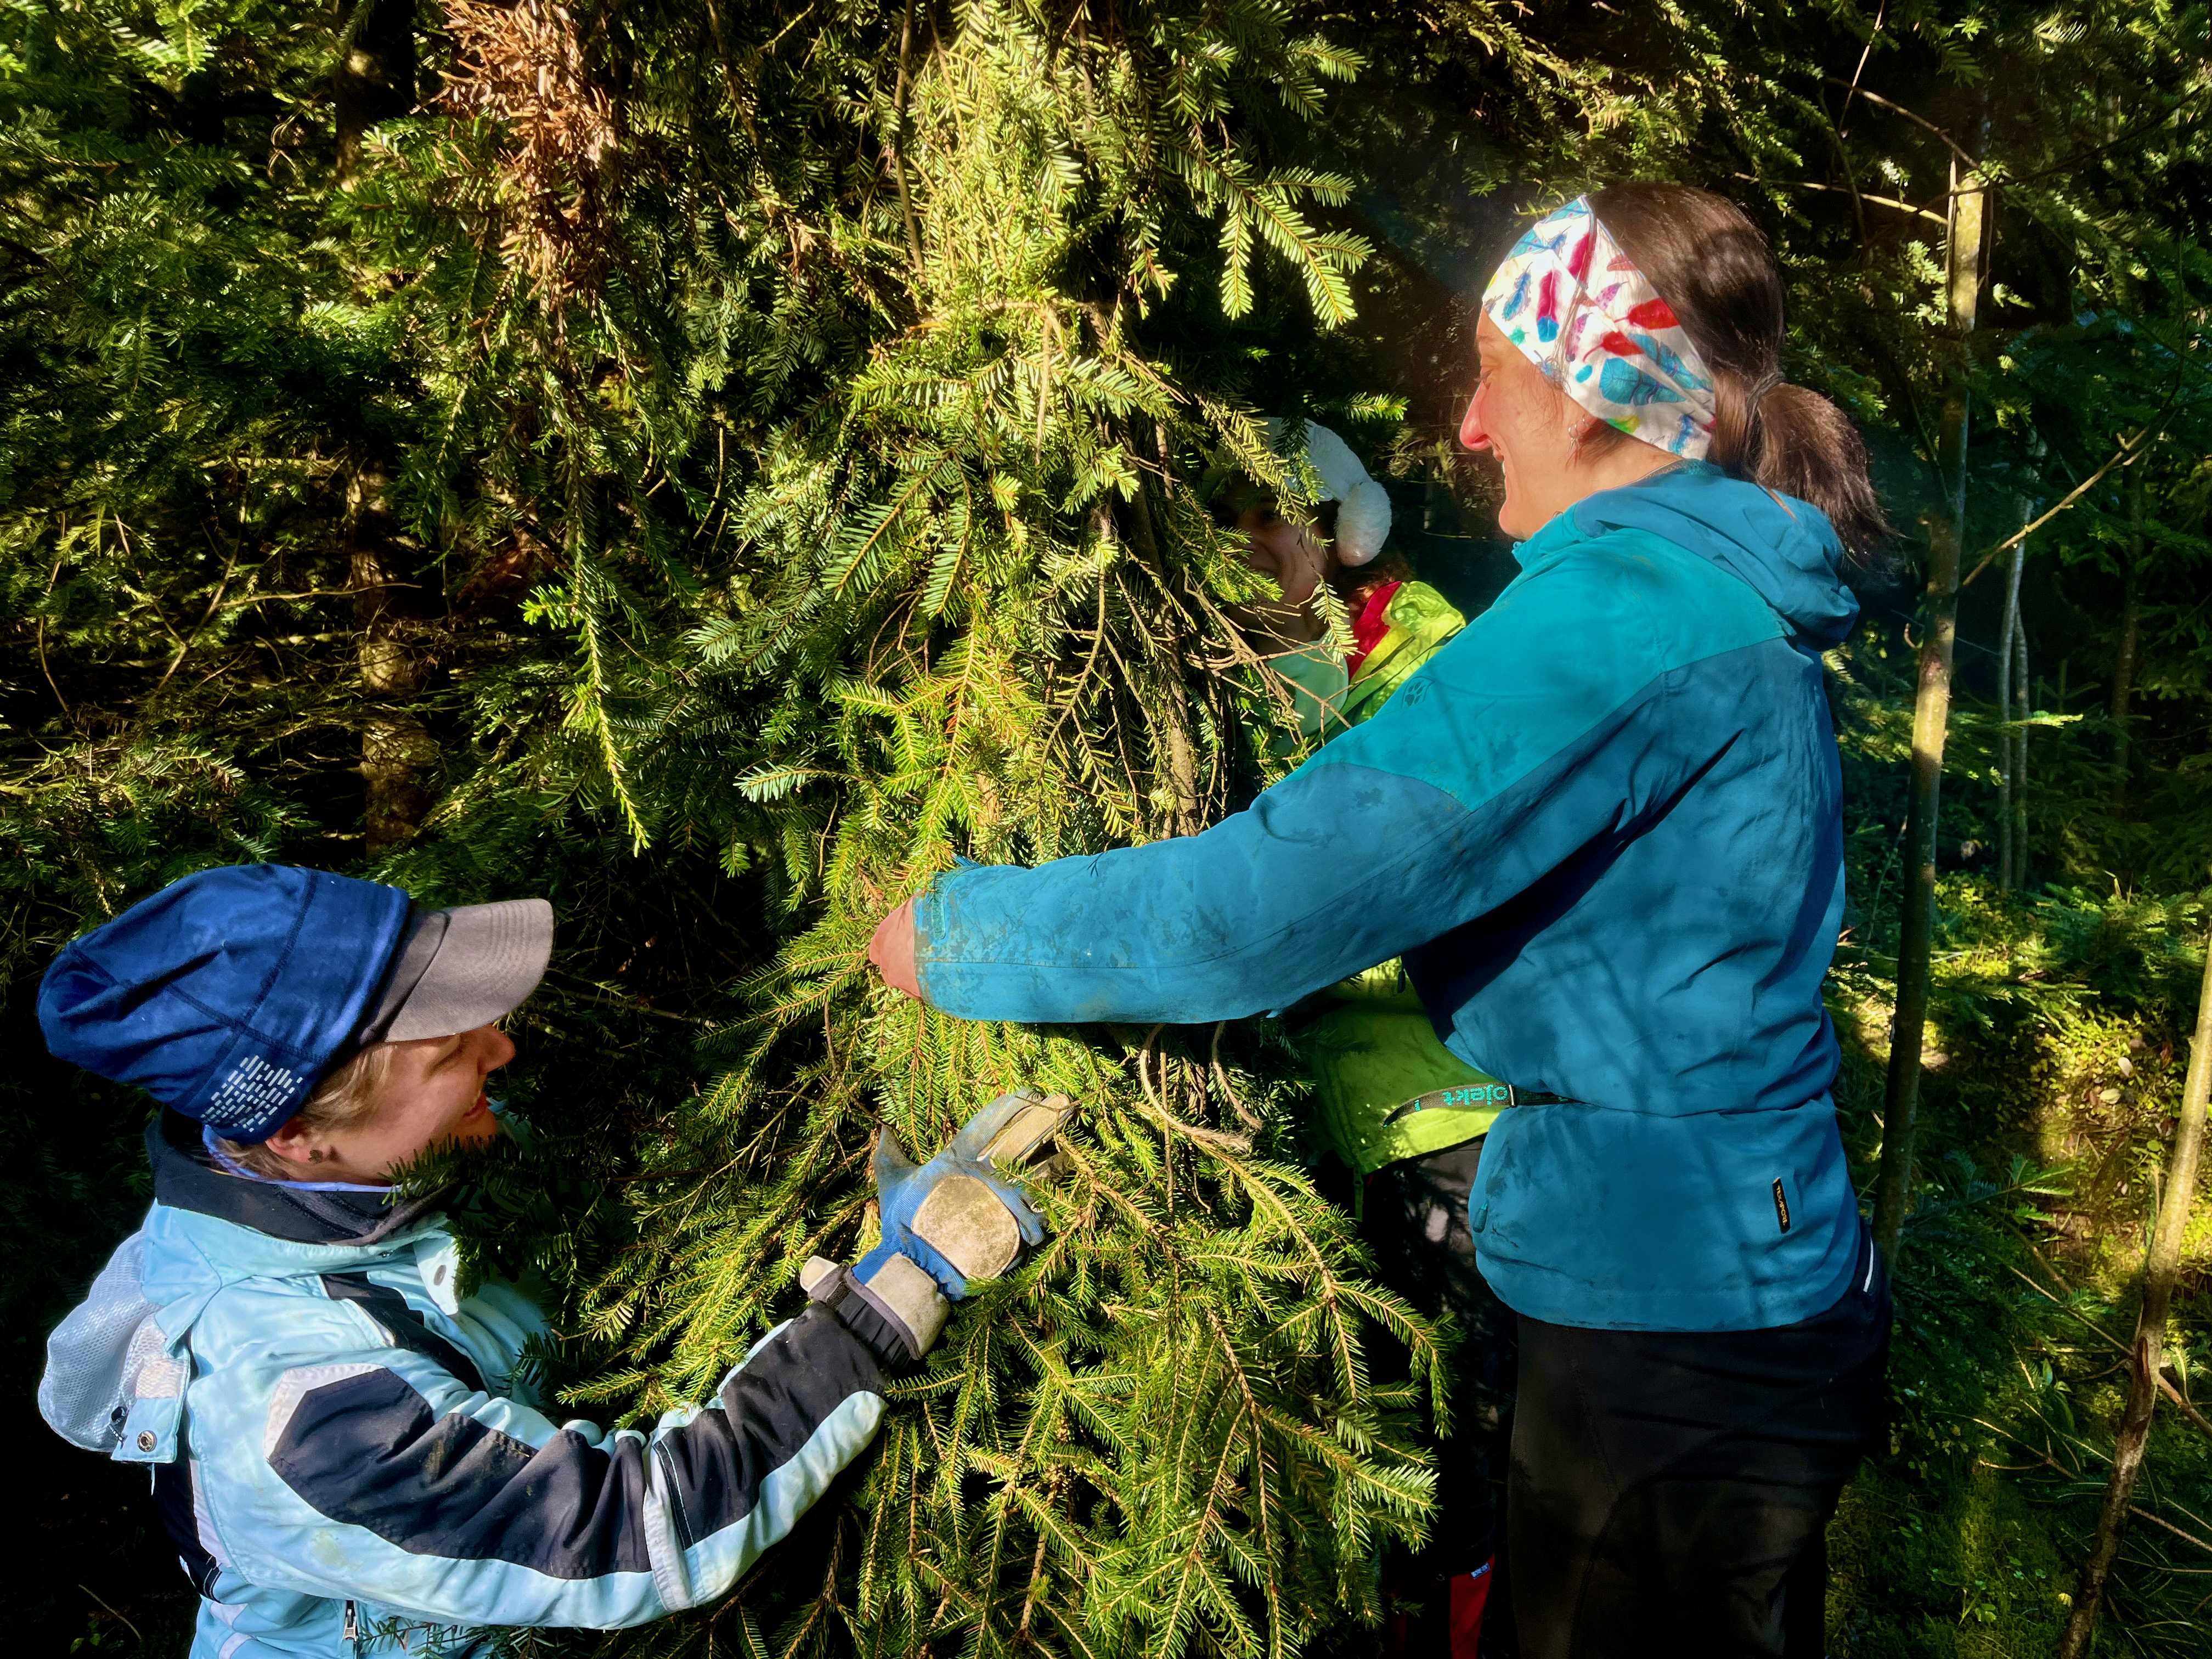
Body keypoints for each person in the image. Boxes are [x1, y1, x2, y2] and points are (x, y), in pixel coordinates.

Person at [866, 183, 1893, 1657]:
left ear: (1599, 396)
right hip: (1743, 1285)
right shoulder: (1726, 593)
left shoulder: (1623, 618)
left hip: (1674, 1334)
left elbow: (1266, 908)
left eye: (1494, 381)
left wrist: (954, 936)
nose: (1469, 430)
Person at [35, 862, 1064, 1657]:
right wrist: (885, 1303)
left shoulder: (394, 1169)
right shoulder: (297, 1406)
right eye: (448, 1056)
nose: (502, 1048)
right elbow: (632, 1528)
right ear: (301, 1131)